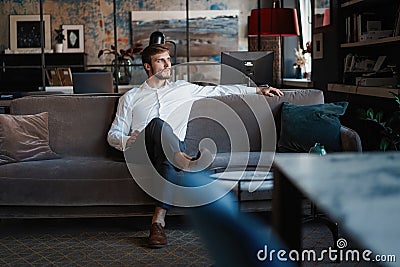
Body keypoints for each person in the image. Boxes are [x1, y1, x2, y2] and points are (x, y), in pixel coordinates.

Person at [107, 44, 283, 248]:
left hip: (169, 150)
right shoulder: (130, 97)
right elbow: (113, 135)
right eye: (160, 61)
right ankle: (185, 159)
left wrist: (257, 89)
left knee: (167, 158)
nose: (167, 64)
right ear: (147, 66)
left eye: (168, 59)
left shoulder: (184, 89)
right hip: (140, 149)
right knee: (156, 124)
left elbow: (219, 90)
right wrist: (127, 140)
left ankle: (158, 222)